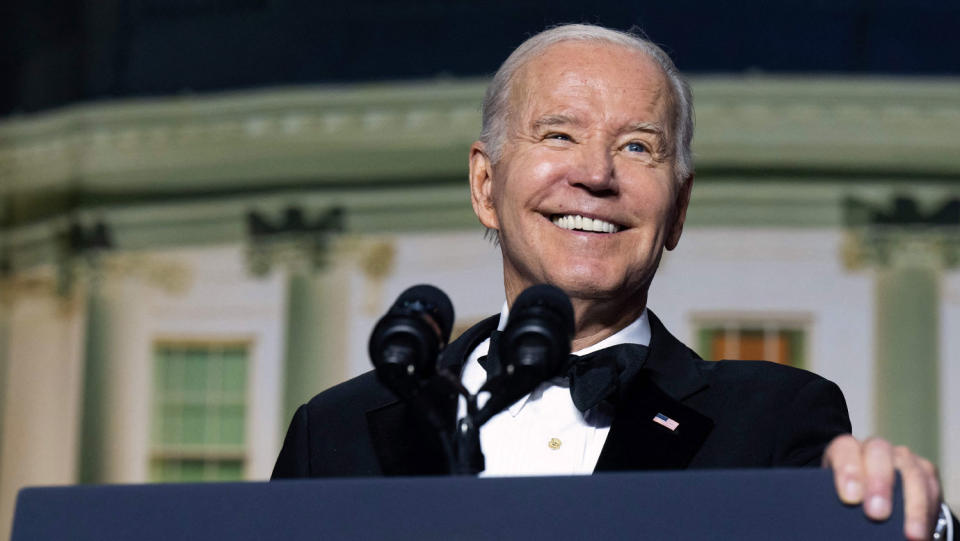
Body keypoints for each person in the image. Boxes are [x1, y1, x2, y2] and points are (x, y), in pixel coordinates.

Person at [273, 24, 955, 540]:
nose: (596, 175)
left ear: (678, 208)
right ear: (485, 184)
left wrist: (907, 509)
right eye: (559, 136)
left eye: (637, 146)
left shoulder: (774, 420)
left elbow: (873, 519)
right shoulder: (335, 432)